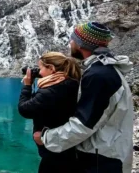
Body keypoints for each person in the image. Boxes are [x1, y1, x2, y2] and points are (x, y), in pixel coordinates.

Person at [34, 22, 134, 173]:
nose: (70, 43)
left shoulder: (98, 76)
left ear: (81, 44)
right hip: (110, 153)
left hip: (101, 160)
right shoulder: (107, 70)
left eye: (73, 39)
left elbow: (84, 124)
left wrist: (46, 138)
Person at [18, 52, 81, 173]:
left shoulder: (50, 92)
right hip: (69, 147)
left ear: (51, 68)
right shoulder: (71, 83)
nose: (39, 72)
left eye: (41, 68)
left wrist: (27, 86)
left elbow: (24, 110)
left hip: (53, 149)